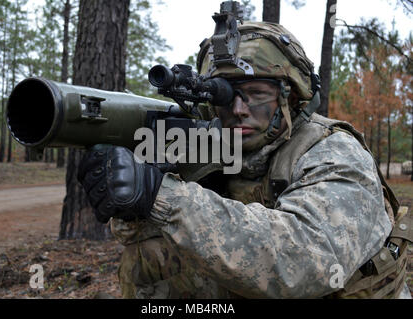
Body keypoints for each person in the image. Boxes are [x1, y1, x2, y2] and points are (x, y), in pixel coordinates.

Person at [77, 21, 412, 299]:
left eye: (256, 95)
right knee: (150, 255)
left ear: (290, 96)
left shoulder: (334, 151)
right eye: (225, 96)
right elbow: (142, 237)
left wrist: (164, 197)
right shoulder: (213, 147)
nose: (238, 110)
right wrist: (132, 200)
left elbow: (305, 261)